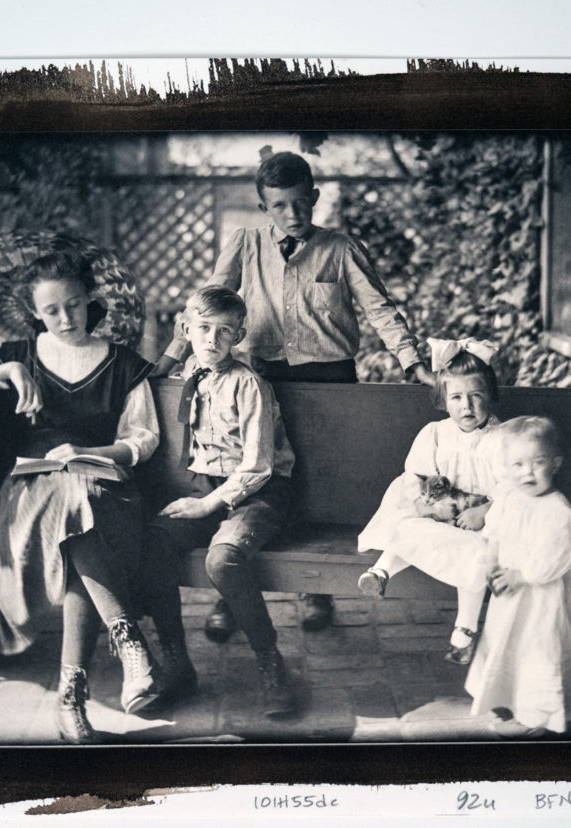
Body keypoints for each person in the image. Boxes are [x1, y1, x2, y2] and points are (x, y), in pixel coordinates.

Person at [154, 150, 434, 637]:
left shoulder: (342, 248)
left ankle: (315, 588)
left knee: (315, 479)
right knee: (255, 477)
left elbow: (380, 309)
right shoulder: (244, 243)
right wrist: (170, 361)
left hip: (330, 381)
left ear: (315, 198)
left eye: (301, 203)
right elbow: (209, 302)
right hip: (263, 375)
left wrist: (413, 362)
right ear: (264, 207)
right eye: (279, 205)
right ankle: (231, 592)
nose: (292, 215)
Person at [0, 251, 163, 744]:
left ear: (90, 302)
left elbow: (143, 439)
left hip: (105, 488)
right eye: (52, 311)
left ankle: (71, 703)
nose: (66, 318)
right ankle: (125, 641)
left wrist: (89, 451)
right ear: (36, 313)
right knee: (74, 511)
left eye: (75, 305)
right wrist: (5, 373)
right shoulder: (16, 353)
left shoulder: (124, 364)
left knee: (83, 511)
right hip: (31, 497)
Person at [145, 285, 298, 719]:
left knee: (222, 560)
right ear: (185, 329)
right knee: (154, 544)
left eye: (225, 332)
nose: (212, 340)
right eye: (204, 329)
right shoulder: (191, 372)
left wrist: (206, 505)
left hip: (258, 492)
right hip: (205, 486)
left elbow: (258, 467)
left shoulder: (249, 385)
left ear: (239, 335)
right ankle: (176, 662)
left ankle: (270, 661)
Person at [356, 338, 504, 664]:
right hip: (441, 516)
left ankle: (464, 630)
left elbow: (512, 490)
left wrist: (486, 511)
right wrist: (428, 506)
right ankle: (380, 572)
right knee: (406, 524)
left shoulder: (502, 439)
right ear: (443, 401)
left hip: (480, 524)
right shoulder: (436, 433)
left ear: (490, 396)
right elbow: (415, 477)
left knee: (477, 556)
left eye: (476, 396)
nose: (467, 406)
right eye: (457, 397)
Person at [465, 416, 571, 737]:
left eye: (537, 462)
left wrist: (522, 575)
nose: (527, 472)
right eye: (518, 464)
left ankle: (538, 714)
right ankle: (509, 697)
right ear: (507, 466)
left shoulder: (559, 513)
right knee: (508, 640)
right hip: (512, 593)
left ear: (555, 464)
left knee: (538, 648)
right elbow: (494, 533)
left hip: (544, 597)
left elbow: (553, 561)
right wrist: (490, 562)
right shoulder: (510, 498)